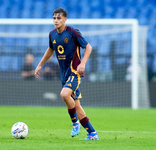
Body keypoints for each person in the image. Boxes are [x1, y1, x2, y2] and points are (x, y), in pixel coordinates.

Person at [34, 8, 99, 141]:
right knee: (77, 105)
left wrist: (83, 63)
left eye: (59, 18)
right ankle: (92, 133)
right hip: (64, 74)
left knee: (64, 94)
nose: (56, 20)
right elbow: (50, 49)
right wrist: (40, 64)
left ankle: (75, 123)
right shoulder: (52, 34)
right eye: (54, 18)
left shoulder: (72, 32)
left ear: (65, 19)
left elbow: (88, 47)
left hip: (75, 72)